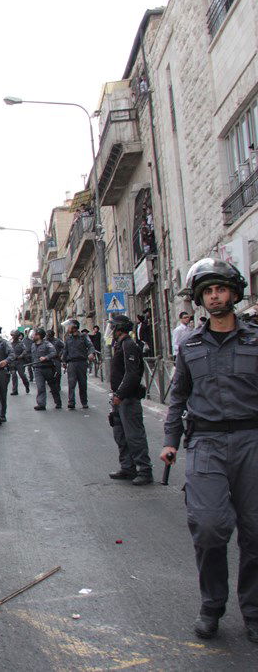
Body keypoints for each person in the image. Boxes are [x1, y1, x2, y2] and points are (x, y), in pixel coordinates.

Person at [160, 258, 258, 641]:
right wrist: (170, 441)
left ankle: (253, 611)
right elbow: (178, 395)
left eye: (221, 289)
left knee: (255, 531)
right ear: (201, 299)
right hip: (206, 443)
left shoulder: (255, 339)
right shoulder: (191, 345)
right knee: (209, 526)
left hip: (252, 440)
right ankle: (212, 605)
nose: (215, 296)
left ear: (234, 293)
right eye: (208, 292)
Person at [107, 313, 152, 485]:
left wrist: (120, 394)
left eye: (113, 326)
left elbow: (132, 374)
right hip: (119, 399)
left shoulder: (129, 345)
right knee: (121, 434)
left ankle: (145, 470)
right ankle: (128, 467)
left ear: (119, 328)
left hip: (128, 399)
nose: (111, 329)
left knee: (134, 435)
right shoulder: (119, 345)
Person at [62, 320, 96, 409]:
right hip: (72, 363)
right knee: (71, 383)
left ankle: (84, 402)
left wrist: (91, 353)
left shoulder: (84, 336)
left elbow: (91, 346)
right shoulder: (68, 338)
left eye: (69, 326)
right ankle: (71, 402)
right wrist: (64, 361)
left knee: (82, 383)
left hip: (82, 363)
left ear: (74, 327)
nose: (68, 328)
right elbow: (65, 350)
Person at [30, 328, 60, 410]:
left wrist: (46, 357)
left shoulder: (47, 344)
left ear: (39, 336)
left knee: (53, 387)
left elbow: (54, 352)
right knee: (40, 387)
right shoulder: (33, 345)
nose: (33, 336)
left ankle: (58, 402)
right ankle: (41, 404)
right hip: (38, 369)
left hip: (48, 368)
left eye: (35, 334)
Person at [10, 330, 30, 395]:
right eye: (12, 335)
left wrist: (21, 356)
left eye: (14, 335)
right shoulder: (10, 343)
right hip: (13, 361)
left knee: (22, 375)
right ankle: (15, 390)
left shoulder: (21, 343)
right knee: (13, 375)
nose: (13, 337)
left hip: (19, 361)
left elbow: (25, 350)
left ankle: (27, 385)